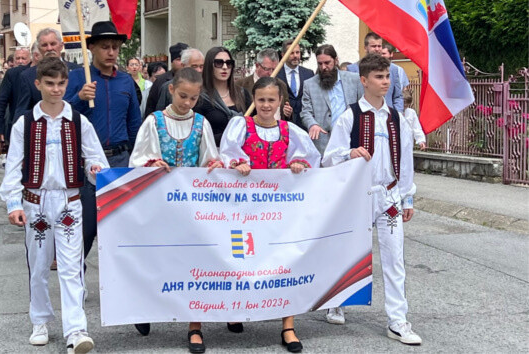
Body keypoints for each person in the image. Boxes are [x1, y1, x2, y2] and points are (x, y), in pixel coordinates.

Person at [0, 57, 108, 352]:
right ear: (38, 84)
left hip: (70, 200)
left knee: (73, 267)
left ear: (66, 84)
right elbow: (13, 167)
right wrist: (13, 203)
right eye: (49, 83)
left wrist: (95, 170)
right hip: (36, 201)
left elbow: (95, 157)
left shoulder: (78, 121)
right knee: (39, 264)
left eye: (61, 83)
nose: (56, 89)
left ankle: (76, 329)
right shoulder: (25, 123)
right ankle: (41, 320)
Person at [322, 53, 421, 345]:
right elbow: (329, 159)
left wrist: (407, 198)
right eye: (379, 77)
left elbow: (405, 162)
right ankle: (337, 301)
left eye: (388, 76)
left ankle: (398, 320)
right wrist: (348, 153)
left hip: (389, 197)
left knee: (394, 258)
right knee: (348, 251)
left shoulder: (398, 120)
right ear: (364, 81)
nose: (385, 82)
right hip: (357, 197)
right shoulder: (350, 115)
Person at [220, 77, 320, 353]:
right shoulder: (241, 126)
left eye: (271, 100)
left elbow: (312, 160)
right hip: (244, 210)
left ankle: (288, 324)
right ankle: (237, 309)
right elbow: (227, 154)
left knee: (283, 263)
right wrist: (236, 163)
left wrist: (298, 163)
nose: (265, 105)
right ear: (254, 100)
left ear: (280, 103)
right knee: (242, 259)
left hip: (279, 211)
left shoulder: (291, 131)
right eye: (261, 99)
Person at [129, 67, 223, 353]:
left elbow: (210, 158)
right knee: (156, 259)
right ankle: (145, 308)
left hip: (192, 206)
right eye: (183, 96)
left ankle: (195, 326)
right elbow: (137, 159)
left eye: (193, 98)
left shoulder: (201, 123)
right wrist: (151, 163)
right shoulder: (153, 122)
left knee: (195, 264)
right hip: (159, 203)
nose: (187, 103)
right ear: (171, 90)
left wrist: (214, 166)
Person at [63, 22, 142, 334]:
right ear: (92, 48)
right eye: (105, 47)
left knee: (121, 229)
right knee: (84, 229)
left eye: (115, 47)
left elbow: (135, 123)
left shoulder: (125, 81)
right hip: (87, 163)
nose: (111, 52)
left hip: (121, 159)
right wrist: (79, 97)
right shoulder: (77, 80)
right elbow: (61, 117)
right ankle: (76, 284)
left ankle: (127, 291)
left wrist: (138, 163)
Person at [300, 44, 364, 156]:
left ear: (336, 60)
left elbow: (362, 106)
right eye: (320, 64)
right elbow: (305, 112)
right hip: (323, 143)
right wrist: (312, 125)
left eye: (327, 63)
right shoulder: (309, 84)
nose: (323, 67)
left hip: (350, 140)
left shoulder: (354, 80)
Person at [13, 29, 80, 121]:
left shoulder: (76, 71)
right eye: (44, 45)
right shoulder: (28, 76)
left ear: (61, 46)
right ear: (39, 48)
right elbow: (22, 111)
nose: (49, 48)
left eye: (53, 44)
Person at [193, 46, 251, 145]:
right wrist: (229, 135)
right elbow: (197, 135)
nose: (225, 67)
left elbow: (253, 126)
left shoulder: (242, 94)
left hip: (240, 154)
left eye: (229, 63)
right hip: (214, 155)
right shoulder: (199, 97)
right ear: (209, 66)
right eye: (219, 63)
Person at [347, 32, 406, 112]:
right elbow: (350, 97)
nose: (377, 49)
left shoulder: (393, 69)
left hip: (388, 117)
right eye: (373, 46)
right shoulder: (352, 69)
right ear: (365, 48)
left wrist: (398, 115)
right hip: (363, 117)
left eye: (379, 46)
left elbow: (397, 96)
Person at [0, 45, 33, 154]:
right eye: (17, 59)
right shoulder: (11, 75)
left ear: (30, 59)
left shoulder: (36, 74)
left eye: (23, 59)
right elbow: (0, 103)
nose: (20, 61)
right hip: (14, 124)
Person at [236, 48, 291, 120]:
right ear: (257, 65)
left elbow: (286, 116)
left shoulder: (281, 85)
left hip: (277, 129)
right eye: (267, 69)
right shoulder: (241, 85)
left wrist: (288, 113)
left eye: (274, 69)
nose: (271, 73)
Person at [151, 48, 205, 114]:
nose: (199, 70)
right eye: (194, 66)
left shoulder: (208, 87)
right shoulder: (167, 87)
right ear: (183, 65)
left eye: (201, 66)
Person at [276, 41, 315, 129]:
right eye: (291, 53)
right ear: (283, 55)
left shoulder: (309, 73)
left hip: (305, 125)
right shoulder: (276, 75)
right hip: (284, 125)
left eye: (297, 52)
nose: (295, 56)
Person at [143, 42, 189, 118]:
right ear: (172, 62)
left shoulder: (194, 80)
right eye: (179, 59)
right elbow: (151, 108)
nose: (182, 63)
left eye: (185, 59)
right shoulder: (161, 81)